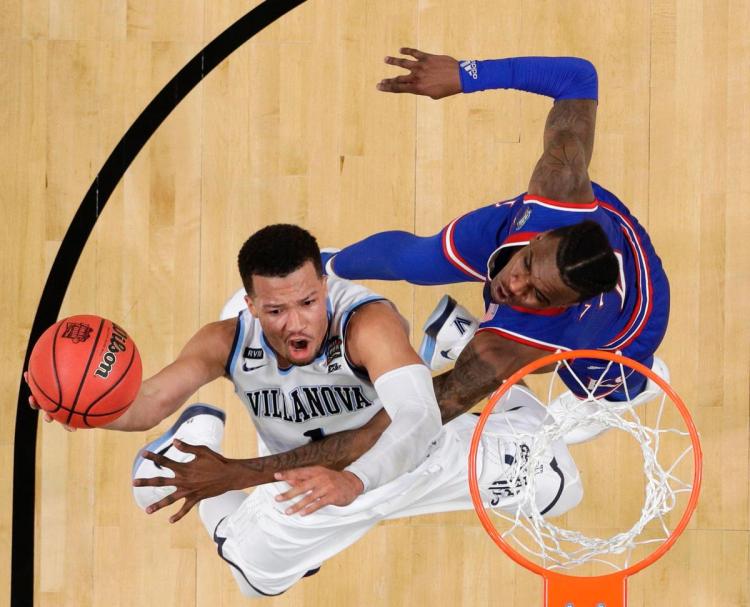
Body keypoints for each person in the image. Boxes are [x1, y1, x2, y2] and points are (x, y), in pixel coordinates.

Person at [28, 224, 582, 597]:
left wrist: (357, 483)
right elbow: (144, 401)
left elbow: (416, 422)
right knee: (256, 580)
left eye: (309, 302)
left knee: (561, 488)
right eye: (275, 309)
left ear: (325, 285)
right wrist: (83, 408)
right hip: (304, 483)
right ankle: (184, 447)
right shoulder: (225, 339)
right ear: (251, 306)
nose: (297, 322)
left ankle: (462, 347)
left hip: (412, 462)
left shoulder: (368, 324)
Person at [321, 48, 671, 441]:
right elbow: (578, 77)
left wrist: (309, 456)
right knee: (416, 261)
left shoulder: (520, 346)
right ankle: (327, 265)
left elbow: (426, 414)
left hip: (631, 324)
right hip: (588, 226)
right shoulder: (559, 188)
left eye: (537, 292)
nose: (513, 286)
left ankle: (633, 385)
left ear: (564, 305)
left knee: (600, 388)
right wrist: (468, 75)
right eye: (524, 266)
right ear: (538, 238)